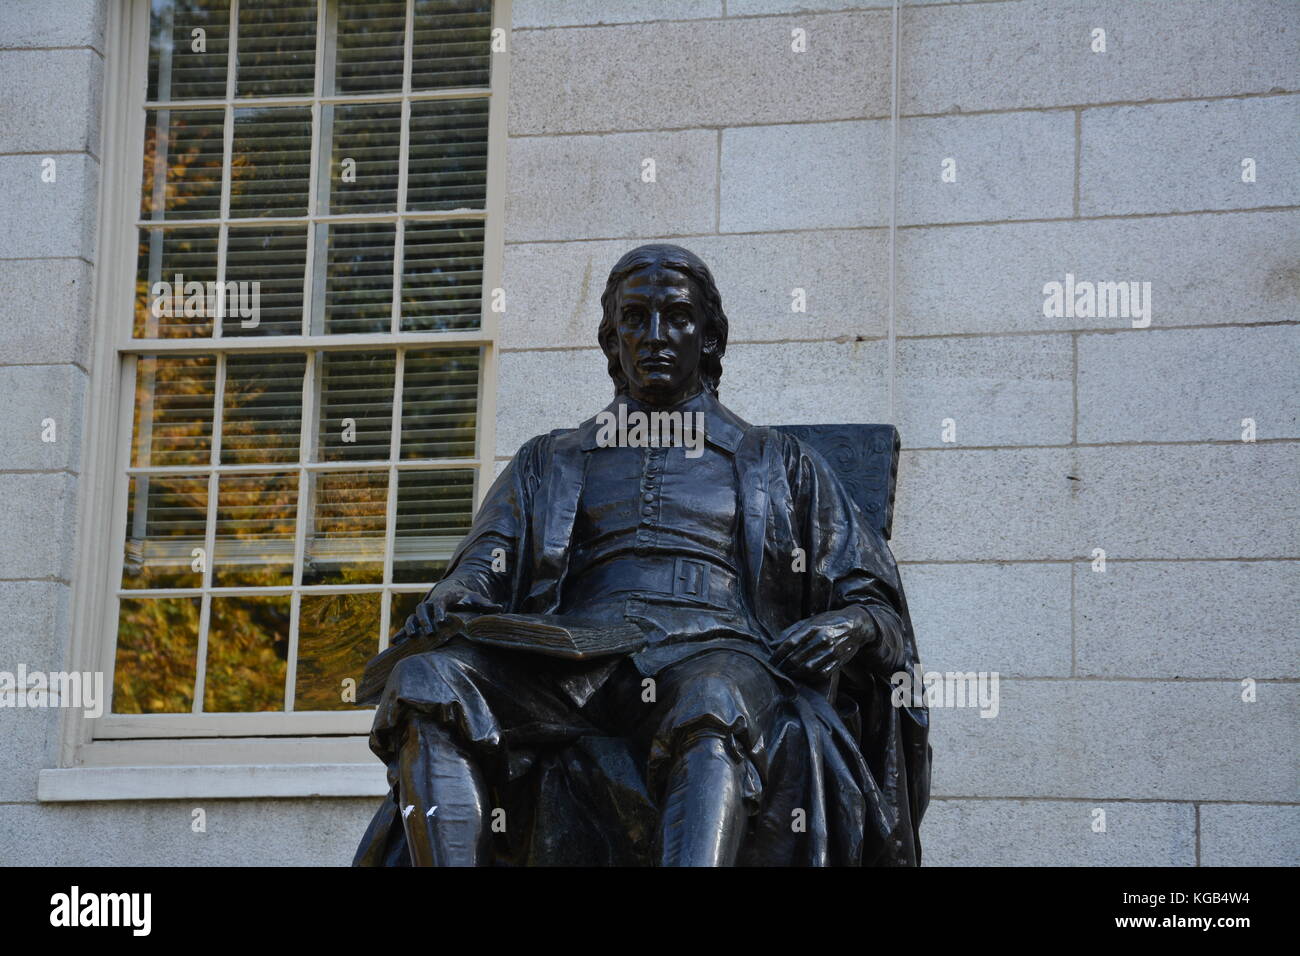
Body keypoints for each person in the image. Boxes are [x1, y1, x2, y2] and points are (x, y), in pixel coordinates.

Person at [354, 244, 930, 866]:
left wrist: (853, 623)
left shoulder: (779, 461)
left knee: (714, 699)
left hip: (715, 648)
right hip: (572, 663)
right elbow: (486, 560)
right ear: (612, 339)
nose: (655, 336)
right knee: (425, 680)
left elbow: (873, 601)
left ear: (709, 340)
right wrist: (452, 595)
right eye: (634, 318)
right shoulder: (549, 460)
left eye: (677, 317)